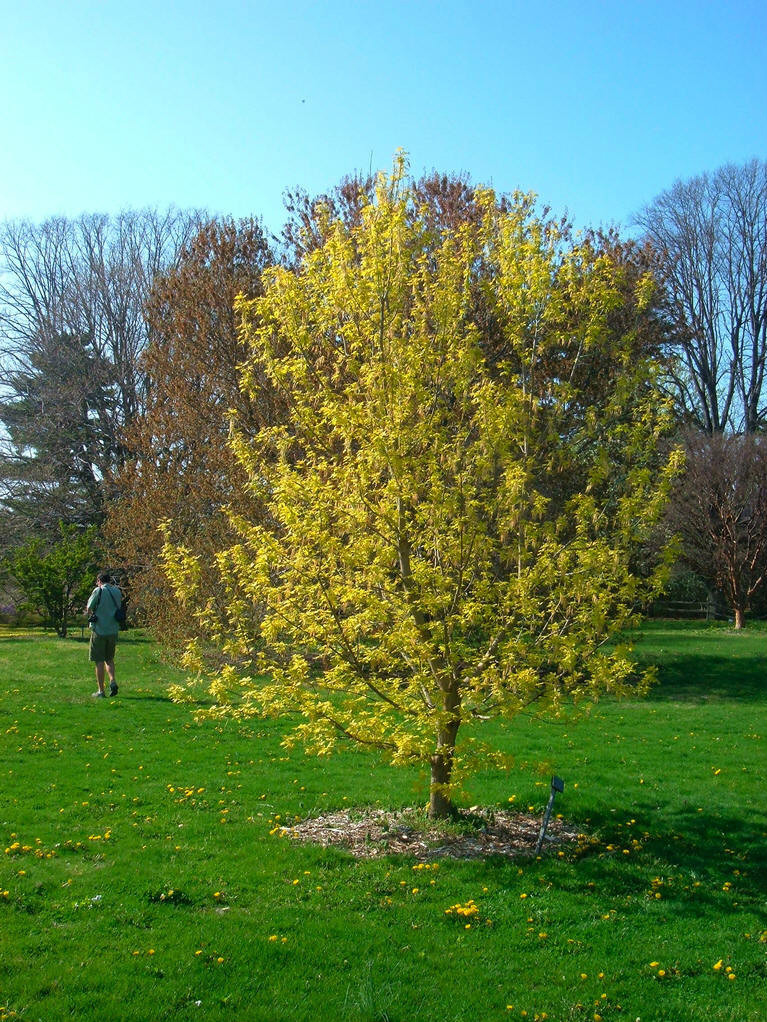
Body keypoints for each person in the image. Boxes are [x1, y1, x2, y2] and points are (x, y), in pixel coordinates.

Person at [86, 571, 122, 698]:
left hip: (99, 630)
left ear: (99, 581)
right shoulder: (117, 592)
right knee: (109, 659)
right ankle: (112, 680)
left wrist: (92, 615)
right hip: (113, 630)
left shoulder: (98, 590)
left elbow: (89, 607)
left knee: (99, 661)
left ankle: (101, 691)